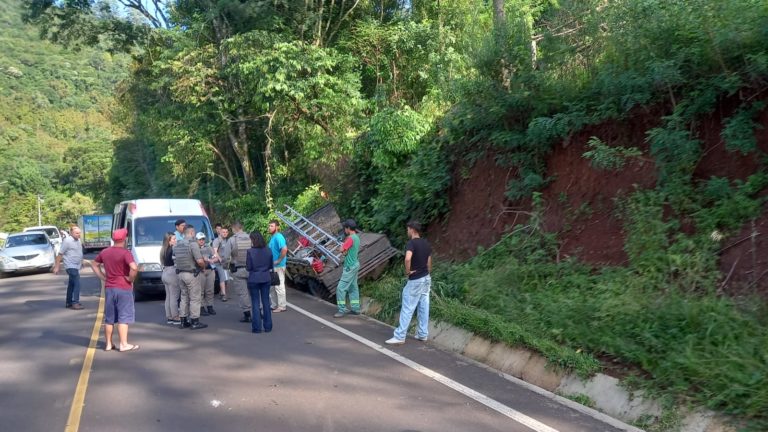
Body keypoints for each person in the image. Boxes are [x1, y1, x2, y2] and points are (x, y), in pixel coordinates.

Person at [89, 228, 140, 352]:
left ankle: (108, 344)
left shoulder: (105, 252)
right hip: (123, 287)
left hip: (109, 288)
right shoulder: (125, 253)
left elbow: (94, 264)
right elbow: (134, 268)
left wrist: (102, 277)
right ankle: (123, 344)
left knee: (109, 318)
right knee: (124, 317)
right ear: (124, 239)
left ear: (113, 239)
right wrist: (131, 279)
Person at [386, 221, 433, 345]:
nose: (407, 231)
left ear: (412, 230)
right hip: (426, 278)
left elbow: (407, 258)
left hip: (415, 279)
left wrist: (408, 272)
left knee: (408, 307)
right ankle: (423, 334)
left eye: (408, 229)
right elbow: (429, 262)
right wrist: (427, 273)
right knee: (424, 306)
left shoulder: (411, 243)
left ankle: (400, 336)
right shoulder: (426, 243)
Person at [173, 225, 208, 330]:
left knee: (184, 297)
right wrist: (203, 267)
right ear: (192, 232)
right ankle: (194, 321)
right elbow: (200, 261)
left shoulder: (177, 244)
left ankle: (183, 321)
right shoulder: (193, 244)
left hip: (180, 274)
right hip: (191, 274)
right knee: (195, 298)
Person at [246, 231, 273, 333]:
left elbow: (249, 267)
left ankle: (257, 328)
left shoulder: (250, 251)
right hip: (266, 277)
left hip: (254, 278)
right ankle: (268, 326)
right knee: (266, 302)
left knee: (255, 303)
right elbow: (271, 265)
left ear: (253, 240)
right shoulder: (268, 250)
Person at [334, 219, 361, 318]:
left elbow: (342, 250)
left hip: (349, 267)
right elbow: (348, 251)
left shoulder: (350, 238)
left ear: (348, 228)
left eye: (345, 228)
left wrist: (341, 246)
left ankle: (341, 310)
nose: (344, 230)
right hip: (355, 264)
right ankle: (355, 308)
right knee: (353, 287)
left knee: (340, 288)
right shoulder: (357, 238)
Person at [53, 226, 84, 310]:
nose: (79, 235)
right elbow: (60, 254)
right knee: (77, 283)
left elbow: (79, 252)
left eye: (79, 233)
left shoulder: (78, 240)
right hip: (70, 265)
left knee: (71, 284)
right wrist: (57, 267)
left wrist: (82, 261)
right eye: (76, 233)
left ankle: (69, 302)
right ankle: (75, 303)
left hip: (76, 265)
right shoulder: (67, 241)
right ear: (71, 233)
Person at [229, 221, 253, 323]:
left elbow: (226, 256)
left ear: (234, 229)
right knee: (254, 292)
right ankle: (259, 311)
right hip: (251, 269)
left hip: (238, 269)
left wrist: (227, 266)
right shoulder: (251, 238)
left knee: (243, 293)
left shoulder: (232, 240)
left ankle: (247, 315)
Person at [268, 220, 288, 312]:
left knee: (279, 286)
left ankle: (282, 306)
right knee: (272, 286)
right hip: (272, 266)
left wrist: (279, 260)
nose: (270, 228)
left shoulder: (279, 237)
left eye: (272, 226)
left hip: (279, 266)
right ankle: (274, 304)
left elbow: (284, 249)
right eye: (269, 226)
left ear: (277, 227)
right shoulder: (272, 237)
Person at [160, 232, 180, 325]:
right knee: (174, 296)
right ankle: (175, 316)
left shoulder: (163, 250)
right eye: (174, 239)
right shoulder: (173, 249)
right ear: (169, 240)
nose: (176, 240)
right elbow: (177, 261)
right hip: (172, 272)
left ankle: (169, 316)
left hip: (164, 273)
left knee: (168, 296)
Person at [197, 232, 217, 316]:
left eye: (203, 239)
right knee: (200, 291)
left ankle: (210, 306)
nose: (202, 241)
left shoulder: (208, 247)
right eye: (200, 239)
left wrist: (212, 260)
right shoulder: (195, 248)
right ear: (196, 240)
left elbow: (215, 257)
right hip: (201, 271)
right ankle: (201, 308)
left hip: (210, 270)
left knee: (210, 290)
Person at [212, 226, 231, 301]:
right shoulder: (217, 240)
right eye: (223, 232)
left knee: (227, 279)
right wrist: (220, 259)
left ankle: (223, 292)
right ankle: (224, 295)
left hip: (226, 262)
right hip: (219, 263)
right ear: (220, 232)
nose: (225, 233)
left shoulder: (227, 240)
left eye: (226, 232)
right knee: (223, 278)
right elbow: (215, 251)